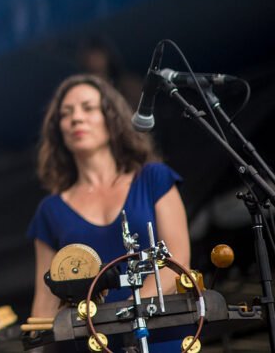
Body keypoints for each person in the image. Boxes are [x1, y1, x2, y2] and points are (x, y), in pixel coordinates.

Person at [27, 74, 191, 351]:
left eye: (88, 108)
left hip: (159, 336)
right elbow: (45, 303)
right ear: (59, 131)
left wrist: (127, 316)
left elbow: (177, 262)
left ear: (111, 117)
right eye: (66, 114)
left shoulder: (154, 178)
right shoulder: (49, 210)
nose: (76, 118)